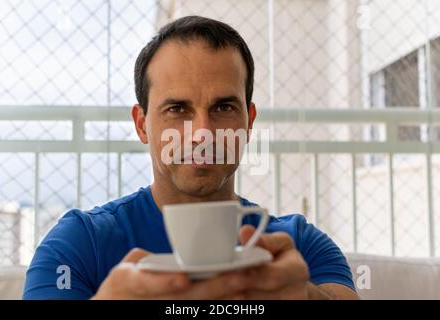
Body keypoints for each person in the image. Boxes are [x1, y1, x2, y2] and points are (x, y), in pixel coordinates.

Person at [23, 15, 358, 300]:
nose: (202, 133)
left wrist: (307, 295)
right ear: (142, 125)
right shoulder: (79, 244)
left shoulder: (299, 247)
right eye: (177, 109)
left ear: (249, 122)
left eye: (223, 108)